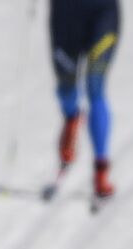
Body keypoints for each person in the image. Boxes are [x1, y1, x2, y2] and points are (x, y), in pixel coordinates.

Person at [49, 0, 119, 204]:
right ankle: (72, 117)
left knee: (95, 86)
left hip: (101, 13)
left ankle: (101, 168)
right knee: (67, 87)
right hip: (66, 16)